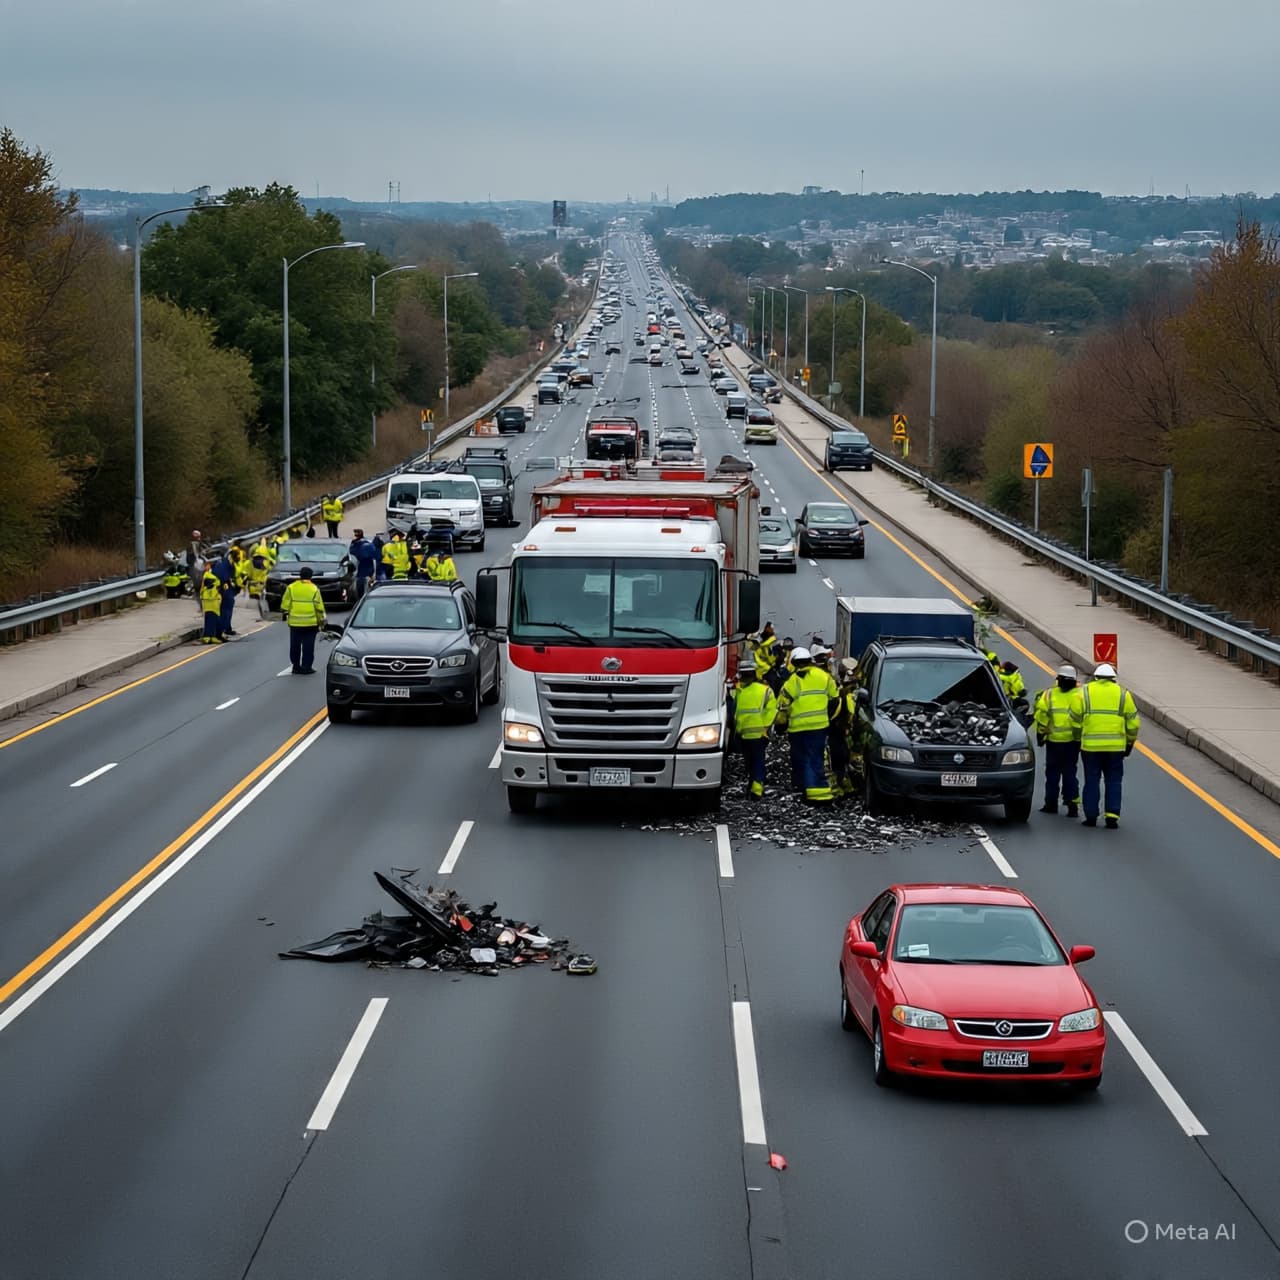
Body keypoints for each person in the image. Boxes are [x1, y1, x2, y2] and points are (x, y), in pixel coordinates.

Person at [1069, 662, 1140, 829]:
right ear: (1113, 678)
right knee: (1114, 781)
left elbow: (1074, 718)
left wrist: (1078, 738)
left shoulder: (1083, 692)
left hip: (1090, 748)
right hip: (1115, 748)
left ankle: (1091, 816)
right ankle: (1112, 816)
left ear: (1096, 677)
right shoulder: (1124, 694)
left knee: (1091, 780)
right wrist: (1129, 743)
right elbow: (1133, 724)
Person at [776, 647, 839, 803]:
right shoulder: (824, 677)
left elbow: (782, 706)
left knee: (802, 759)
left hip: (797, 729)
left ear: (795, 663)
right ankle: (811, 789)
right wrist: (829, 717)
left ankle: (814, 793)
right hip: (819, 727)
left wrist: (780, 726)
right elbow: (835, 699)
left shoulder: (792, 681)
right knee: (815, 758)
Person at [1034, 664, 1080, 816]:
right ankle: (1072, 805)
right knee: (1070, 773)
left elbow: (1042, 717)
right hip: (1072, 742)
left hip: (1054, 742)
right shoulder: (1080, 695)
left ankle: (1051, 803)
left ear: (1058, 679)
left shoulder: (1049, 695)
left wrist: (1041, 735)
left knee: (1052, 773)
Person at [733, 659, 776, 799]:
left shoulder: (737, 691)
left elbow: (733, 713)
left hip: (743, 734)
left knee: (750, 761)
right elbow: (771, 711)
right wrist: (766, 728)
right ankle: (756, 788)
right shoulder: (765, 690)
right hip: (759, 734)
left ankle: (752, 786)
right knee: (758, 760)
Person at [281, 566, 326, 674]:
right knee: (308, 646)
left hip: (295, 623)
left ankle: (295, 666)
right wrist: (321, 621)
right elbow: (319, 608)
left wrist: (286, 613)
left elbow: (285, 604)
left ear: (300, 575)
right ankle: (306, 667)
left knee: (295, 645)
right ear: (311, 576)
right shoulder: (314, 589)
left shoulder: (291, 587)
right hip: (310, 623)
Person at [349, 529, 378, 598]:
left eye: (355, 535)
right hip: (365, 574)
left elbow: (353, 557)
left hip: (362, 574)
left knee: (361, 592)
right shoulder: (368, 544)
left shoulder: (357, 546)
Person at [199, 566, 224, 644]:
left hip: (212, 600)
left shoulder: (209, 575)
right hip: (211, 600)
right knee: (211, 618)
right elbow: (212, 584)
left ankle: (211, 636)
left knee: (213, 619)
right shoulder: (210, 576)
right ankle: (208, 637)